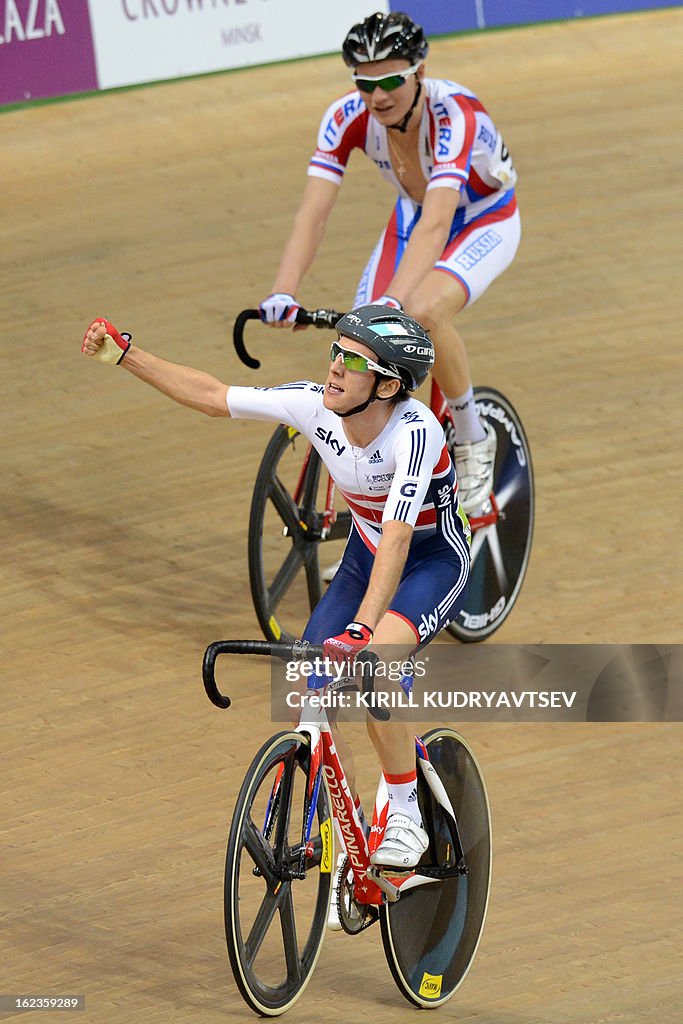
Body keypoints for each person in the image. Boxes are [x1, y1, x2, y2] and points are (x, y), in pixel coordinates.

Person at [81, 307, 470, 880]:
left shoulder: (415, 431)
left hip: (428, 561)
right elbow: (214, 396)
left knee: (373, 667)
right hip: (367, 555)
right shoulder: (316, 406)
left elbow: (397, 540)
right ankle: (351, 837)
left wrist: (361, 633)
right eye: (336, 351)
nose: (334, 366)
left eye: (353, 360)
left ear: (388, 385)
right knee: (308, 686)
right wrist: (126, 355)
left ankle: (407, 806)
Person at [258, 10, 520, 513]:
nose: (377, 96)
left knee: (420, 313)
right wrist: (282, 291)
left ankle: (470, 435)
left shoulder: (455, 115)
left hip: (481, 218)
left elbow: (438, 226)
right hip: (414, 215)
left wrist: (394, 303)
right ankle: (372, 506)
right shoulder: (344, 118)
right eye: (365, 82)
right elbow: (313, 215)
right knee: (363, 344)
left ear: (419, 72)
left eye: (392, 80)